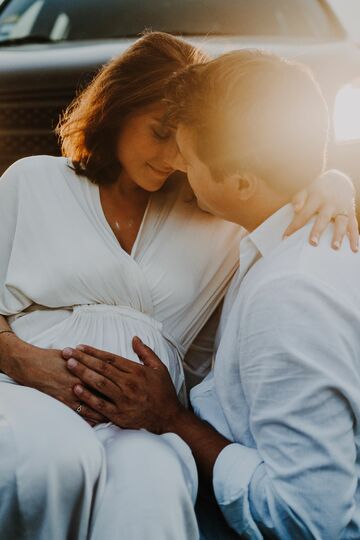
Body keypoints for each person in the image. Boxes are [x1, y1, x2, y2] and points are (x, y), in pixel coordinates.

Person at [0, 33, 356, 539]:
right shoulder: (33, 180)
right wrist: (19, 359)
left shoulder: (215, 217)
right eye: (161, 133)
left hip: (145, 419)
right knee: (53, 463)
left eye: (185, 142)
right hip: (30, 391)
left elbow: (275, 179)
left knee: (155, 487)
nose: (175, 158)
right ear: (116, 109)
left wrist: (335, 182)